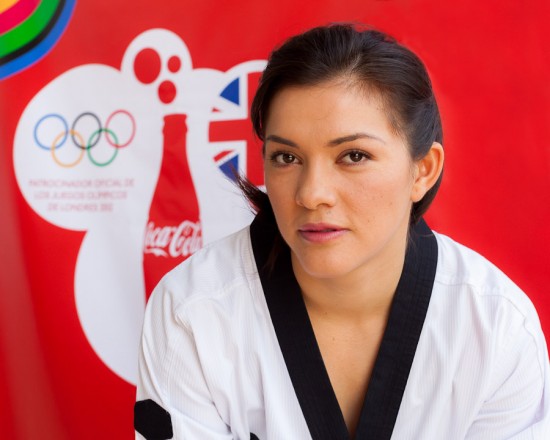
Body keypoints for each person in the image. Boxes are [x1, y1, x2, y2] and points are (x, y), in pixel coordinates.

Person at [134, 24, 550, 440]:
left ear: (423, 170)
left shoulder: (495, 326)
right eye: (286, 157)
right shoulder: (194, 311)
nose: (311, 194)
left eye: (353, 155)